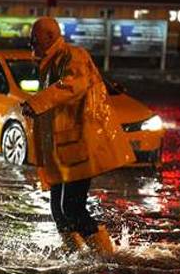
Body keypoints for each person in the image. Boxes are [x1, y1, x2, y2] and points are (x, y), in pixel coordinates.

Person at [22, 17, 135, 255]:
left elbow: (73, 85)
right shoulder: (51, 61)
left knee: (71, 207)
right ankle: (75, 256)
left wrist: (37, 102)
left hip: (78, 148)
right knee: (58, 209)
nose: (30, 43)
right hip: (61, 150)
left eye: (34, 38)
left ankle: (106, 256)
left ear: (50, 37)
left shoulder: (72, 55)